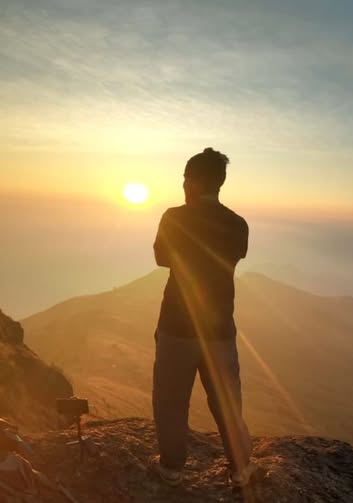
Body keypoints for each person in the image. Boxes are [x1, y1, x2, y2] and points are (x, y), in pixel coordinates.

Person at [151, 147, 259, 487]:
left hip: (176, 327)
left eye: (185, 177)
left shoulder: (174, 217)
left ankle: (171, 467)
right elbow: (234, 255)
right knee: (227, 404)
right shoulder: (237, 224)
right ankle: (241, 469)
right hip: (220, 330)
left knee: (171, 401)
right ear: (220, 182)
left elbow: (161, 257)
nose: (183, 183)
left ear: (193, 181)